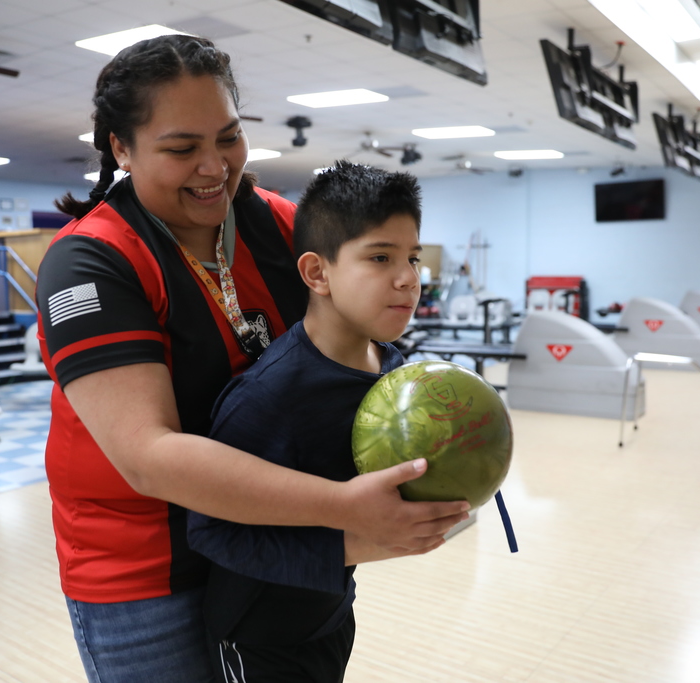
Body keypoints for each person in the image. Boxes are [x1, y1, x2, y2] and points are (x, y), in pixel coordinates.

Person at [34, 34, 468, 683]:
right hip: (149, 570)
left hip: (273, 534)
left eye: (228, 138)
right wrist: (342, 505)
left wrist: (433, 418)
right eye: (182, 148)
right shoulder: (89, 263)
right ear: (121, 148)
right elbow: (147, 455)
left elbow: (362, 332)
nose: (215, 167)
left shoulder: (275, 223)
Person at [188, 161, 427, 682]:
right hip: (260, 640)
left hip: (330, 613)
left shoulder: (391, 369)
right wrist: (360, 542)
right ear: (318, 273)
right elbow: (210, 533)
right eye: (381, 257)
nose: (408, 277)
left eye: (413, 256)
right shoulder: (270, 395)